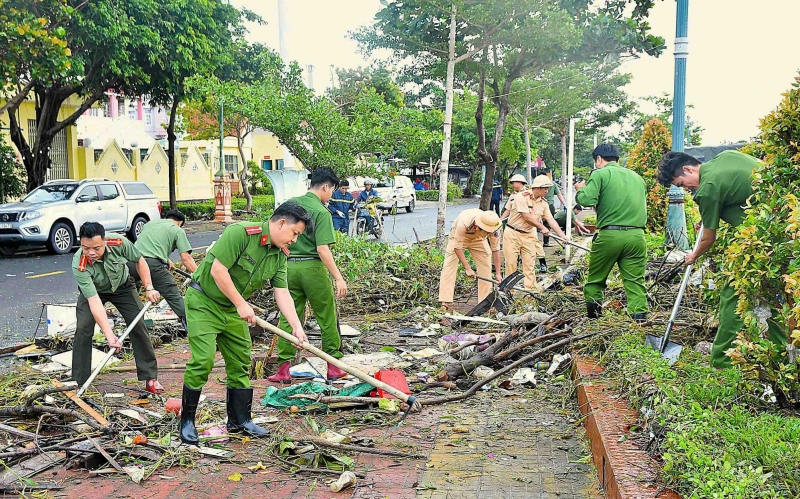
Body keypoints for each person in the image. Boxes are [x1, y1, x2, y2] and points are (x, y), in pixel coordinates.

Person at [180, 203, 312, 445]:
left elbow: (281, 291)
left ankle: (240, 421)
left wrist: (296, 326)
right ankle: (187, 421)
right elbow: (218, 271)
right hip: (204, 301)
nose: (294, 240)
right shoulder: (240, 233)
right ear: (281, 223)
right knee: (204, 359)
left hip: (232, 310)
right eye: (294, 233)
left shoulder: (279, 254)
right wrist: (242, 304)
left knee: (241, 362)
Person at [656, 150, 786, 368]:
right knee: (776, 296)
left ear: (688, 169)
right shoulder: (726, 157)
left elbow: (708, 238)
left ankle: (722, 363)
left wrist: (693, 255)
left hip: (760, 243)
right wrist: (711, 216)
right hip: (783, 230)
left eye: (681, 183)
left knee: (732, 297)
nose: (686, 190)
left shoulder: (707, 190)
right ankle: (781, 358)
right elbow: (739, 195)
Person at [269, 168, 350, 383]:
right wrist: (338, 277)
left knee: (289, 317)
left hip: (287, 268)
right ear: (325, 187)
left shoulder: (290, 205)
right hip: (312, 268)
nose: (331, 195)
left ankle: (284, 368)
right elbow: (323, 249)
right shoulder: (321, 212)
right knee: (326, 316)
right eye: (331, 190)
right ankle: (333, 366)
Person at [71, 222, 163, 393]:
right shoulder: (79, 264)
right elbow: (94, 301)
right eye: (86, 248)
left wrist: (149, 287)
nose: (91, 253)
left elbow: (139, 260)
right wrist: (109, 335)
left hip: (123, 287)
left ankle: (150, 377)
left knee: (138, 325)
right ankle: (79, 380)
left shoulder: (119, 243)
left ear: (105, 241)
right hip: (94, 292)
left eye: (96, 248)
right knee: (83, 327)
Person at [575, 144, 648, 322]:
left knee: (595, 281)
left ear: (599, 159)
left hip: (610, 235)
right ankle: (639, 323)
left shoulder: (600, 174)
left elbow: (587, 199)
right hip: (637, 237)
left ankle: (595, 323)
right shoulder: (637, 177)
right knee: (635, 282)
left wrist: (580, 189)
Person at [128, 209, 196, 331]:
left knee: (131, 293)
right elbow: (186, 258)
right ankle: (193, 328)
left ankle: (135, 325)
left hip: (132, 262)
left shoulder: (149, 224)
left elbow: (151, 243)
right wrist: (199, 275)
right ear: (180, 223)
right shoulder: (177, 230)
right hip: (152, 264)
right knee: (173, 295)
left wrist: (166, 259)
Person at [438, 209, 502, 310]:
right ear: (478, 227)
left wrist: (498, 273)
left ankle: (484, 302)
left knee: (486, 266)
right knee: (449, 265)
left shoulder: (495, 227)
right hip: (460, 237)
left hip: (479, 240)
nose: (489, 234)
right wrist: (467, 268)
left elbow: (496, 249)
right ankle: (445, 301)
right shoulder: (463, 223)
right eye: (486, 232)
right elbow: (457, 247)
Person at [499, 174, 552, 288]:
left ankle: (532, 288)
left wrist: (542, 226)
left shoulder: (529, 193)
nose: (514, 184)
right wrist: (499, 221)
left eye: (516, 182)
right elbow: (508, 211)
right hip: (514, 230)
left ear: (521, 183)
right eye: (513, 182)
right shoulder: (514, 196)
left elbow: (536, 213)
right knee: (511, 263)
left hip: (530, 230)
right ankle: (509, 290)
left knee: (533, 257)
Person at [528, 175, 570, 273]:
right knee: (512, 261)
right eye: (545, 189)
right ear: (538, 187)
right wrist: (541, 227)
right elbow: (526, 217)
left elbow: (550, 219)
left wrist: (562, 235)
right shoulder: (523, 197)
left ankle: (542, 266)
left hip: (530, 231)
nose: (547, 192)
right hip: (515, 232)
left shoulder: (544, 203)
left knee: (532, 258)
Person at [542, 170, 567, 247]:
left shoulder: (549, 184)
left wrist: (565, 204)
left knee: (547, 224)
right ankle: (546, 242)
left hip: (547, 205)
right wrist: (565, 204)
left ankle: (546, 242)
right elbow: (559, 195)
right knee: (547, 224)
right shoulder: (553, 184)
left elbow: (559, 195)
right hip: (549, 205)